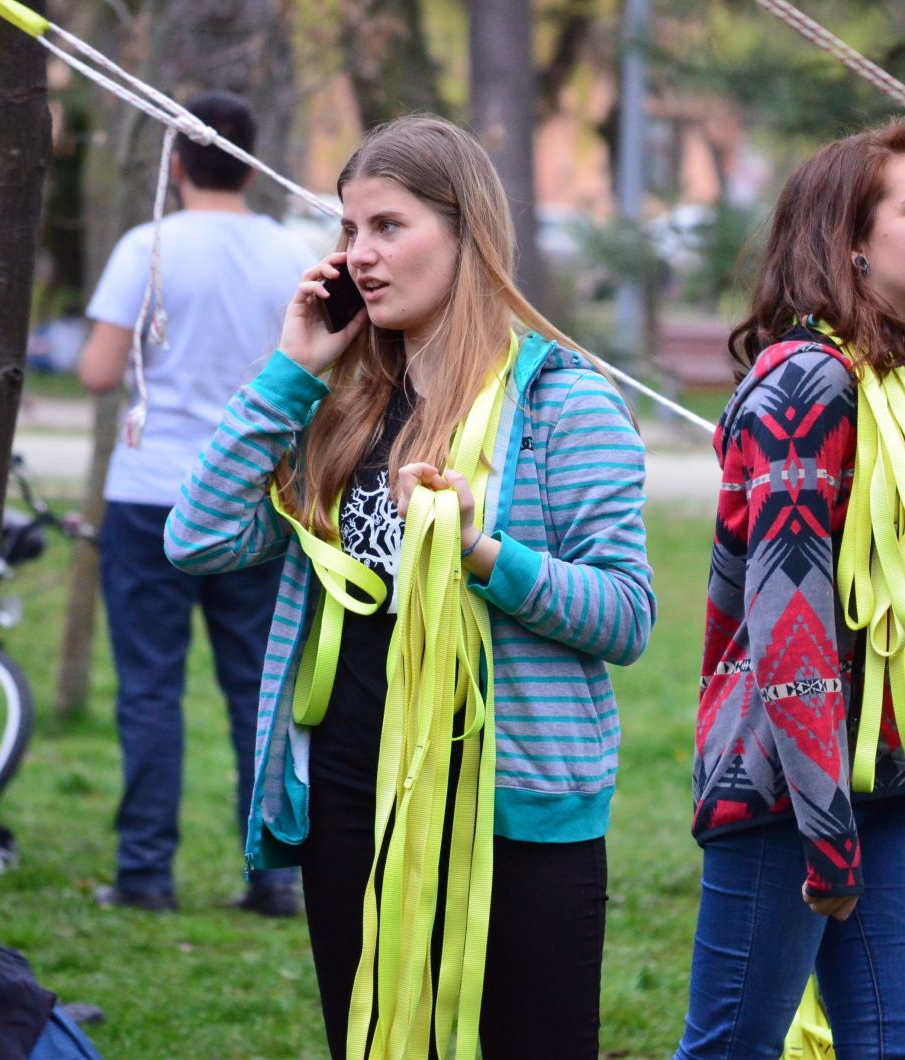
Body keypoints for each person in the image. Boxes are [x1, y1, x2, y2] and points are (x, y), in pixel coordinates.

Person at [165, 115, 653, 1059]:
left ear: (466, 231)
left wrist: (483, 553)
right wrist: (290, 373)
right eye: (349, 231)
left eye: (388, 227)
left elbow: (626, 614)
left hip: (513, 808)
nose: (360, 256)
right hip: (355, 798)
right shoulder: (343, 408)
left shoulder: (563, 403)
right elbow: (199, 536)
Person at [678, 119, 905, 1060]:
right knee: (732, 1048)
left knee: (900, 1052)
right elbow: (791, 624)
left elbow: (895, 635)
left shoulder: (904, 388)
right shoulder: (806, 387)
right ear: (849, 240)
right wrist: (826, 834)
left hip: (884, 785)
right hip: (787, 787)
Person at [78, 90, 310, 916]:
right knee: (258, 685)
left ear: (177, 162)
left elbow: (101, 373)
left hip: (149, 497)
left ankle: (145, 874)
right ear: (251, 161)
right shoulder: (292, 253)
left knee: (149, 687)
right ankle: (276, 876)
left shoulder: (149, 247)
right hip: (255, 496)